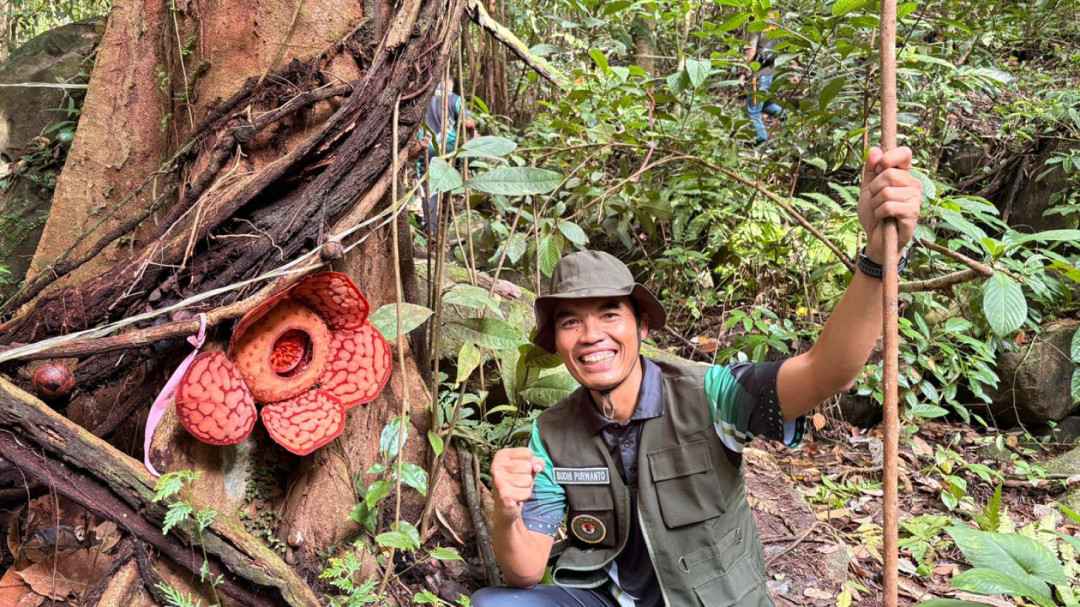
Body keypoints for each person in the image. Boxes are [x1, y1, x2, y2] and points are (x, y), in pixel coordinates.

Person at [471, 146, 923, 606]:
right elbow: (525, 572)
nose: (591, 336)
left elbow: (828, 372)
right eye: (571, 322)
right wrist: (507, 512)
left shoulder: (710, 394)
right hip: (612, 600)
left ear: (642, 326)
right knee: (497, 604)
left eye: (609, 314)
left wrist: (878, 255)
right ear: (557, 341)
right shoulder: (552, 433)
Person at [417, 77, 475, 234]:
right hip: (448, 148)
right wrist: (472, 132)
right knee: (450, 176)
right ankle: (449, 213)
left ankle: (430, 228)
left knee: (428, 185)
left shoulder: (424, 96)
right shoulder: (455, 99)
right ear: (451, 85)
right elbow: (468, 123)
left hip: (426, 146)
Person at [742, 12, 786, 146]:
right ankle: (789, 116)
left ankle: (761, 141)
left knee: (753, 110)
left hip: (760, 73)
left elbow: (751, 52)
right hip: (776, 71)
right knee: (766, 104)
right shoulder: (777, 20)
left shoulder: (756, 21)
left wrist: (743, 72)